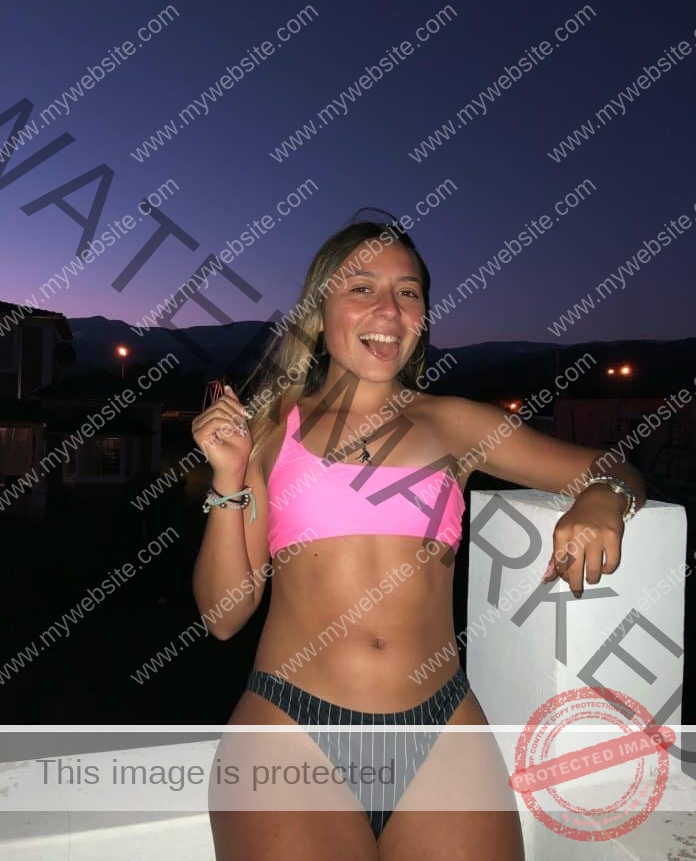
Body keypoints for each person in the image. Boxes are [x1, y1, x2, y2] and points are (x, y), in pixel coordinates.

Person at [191, 216, 645, 860]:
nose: (389, 308)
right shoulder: (273, 427)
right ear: (320, 312)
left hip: (442, 729)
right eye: (362, 288)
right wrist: (229, 476)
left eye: (408, 292)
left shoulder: (454, 422)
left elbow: (613, 467)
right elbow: (224, 615)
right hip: (291, 727)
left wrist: (603, 496)